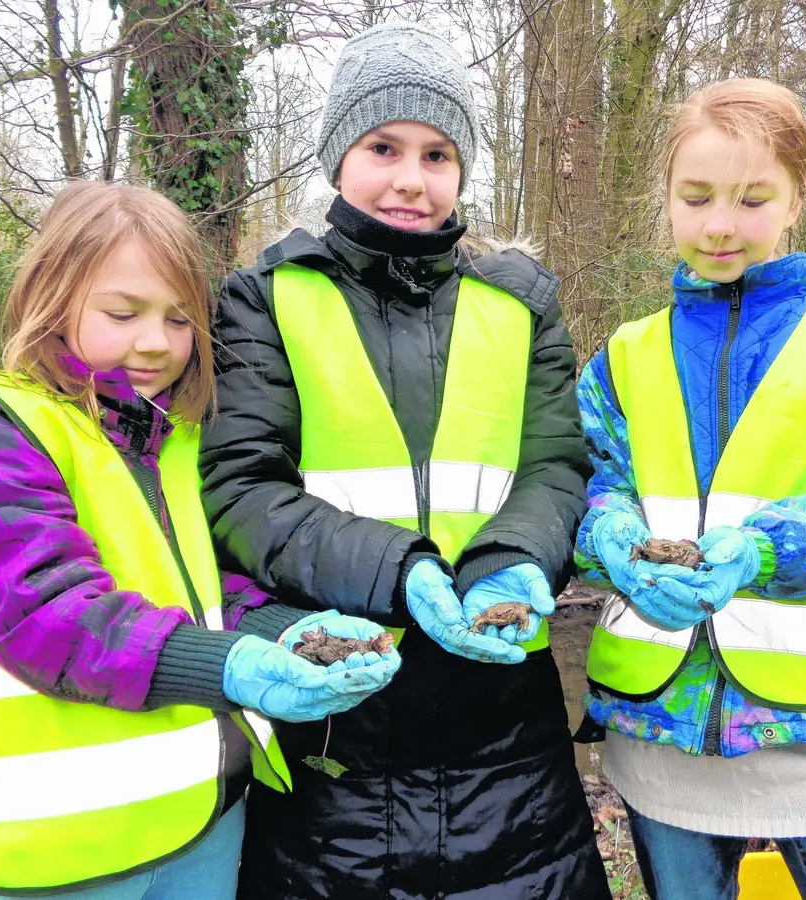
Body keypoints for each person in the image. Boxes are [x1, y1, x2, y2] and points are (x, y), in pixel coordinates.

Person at [0, 180, 401, 900]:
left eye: (178, 319)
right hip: (65, 852)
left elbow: (203, 587)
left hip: (200, 824)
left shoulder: (172, 442)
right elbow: (48, 614)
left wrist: (293, 630)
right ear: (51, 299)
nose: (154, 343)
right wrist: (230, 666)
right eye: (122, 313)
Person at [198, 21, 610, 900]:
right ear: (338, 155)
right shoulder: (264, 297)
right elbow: (241, 488)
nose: (410, 180)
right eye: (384, 146)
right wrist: (403, 570)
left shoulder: (522, 300)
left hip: (507, 730)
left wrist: (508, 564)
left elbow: (556, 468)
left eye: (437, 154)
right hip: (334, 715)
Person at [573, 78, 806, 899]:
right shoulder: (621, 357)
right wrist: (613, 545)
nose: (719, 225)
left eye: (751, 199)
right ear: (665, 199)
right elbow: (595, 488)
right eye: (695, 196)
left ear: (795, 201)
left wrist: (759, 549)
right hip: (658, 728)